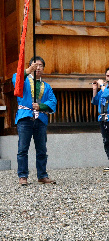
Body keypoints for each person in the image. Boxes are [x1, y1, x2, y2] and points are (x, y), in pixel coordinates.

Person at [13, 56, 57, 185]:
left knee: (42, 149)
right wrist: (26, 71)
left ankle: (42, 175)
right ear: (30, 66)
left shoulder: (46, 86)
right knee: (22, 149)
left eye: (40, 65)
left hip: (40, 119)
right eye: (35, 65)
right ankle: (23, 176)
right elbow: (16, 80)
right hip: (25, 117)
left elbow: (53, 101)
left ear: (43, 68)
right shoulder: (24, 80)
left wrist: (41, 106)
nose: (38, 68)